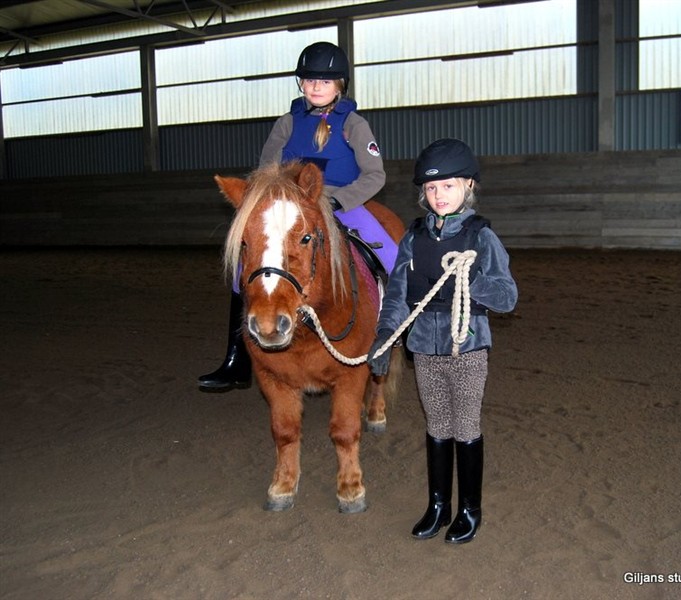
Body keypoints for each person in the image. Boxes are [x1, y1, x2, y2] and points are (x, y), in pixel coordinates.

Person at [198, 41, 397, 391]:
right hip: (292, 210)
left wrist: (337, 202)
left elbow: (375, 175)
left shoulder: (354, 124)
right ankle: (236, 359)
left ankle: (398, 335)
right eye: (309, 80)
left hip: (342, 203)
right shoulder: (288, 123)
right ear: (300, 84)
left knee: (391, 257)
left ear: (340, 85)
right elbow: (266, 172)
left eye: (326, 81)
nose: (317, 87)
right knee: (241, 276)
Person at [367, 138, 518, 544]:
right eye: (432, 188)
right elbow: (397, 295)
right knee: (436, 425)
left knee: (465, 424)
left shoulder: (481, 237)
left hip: (466, 349)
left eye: (448, 186)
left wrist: (472, 278)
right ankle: (438, 505)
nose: (439, 195)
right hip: (424, 349)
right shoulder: (413, 239)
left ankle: (470, 509)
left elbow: (507, 296)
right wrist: (385, 337)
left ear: (469, 186)